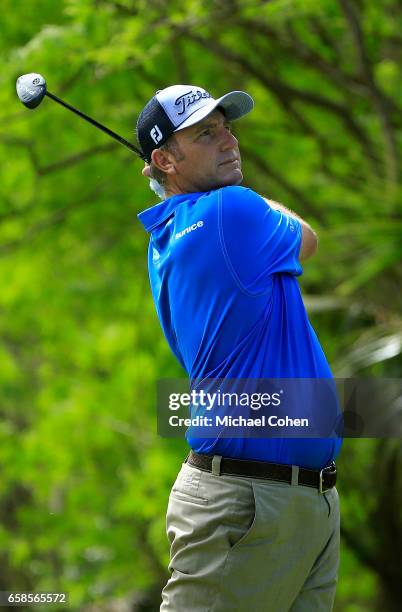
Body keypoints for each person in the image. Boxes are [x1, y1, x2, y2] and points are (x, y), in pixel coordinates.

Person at [136, 84, 342, 611]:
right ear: (164, 158)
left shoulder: (173, 230)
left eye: (226, 126)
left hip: (297, 503)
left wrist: (179, 187)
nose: (228, 140)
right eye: (205, 133)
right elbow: (308, 238)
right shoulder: (232, 211)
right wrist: (239, 195)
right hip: (246, 503)